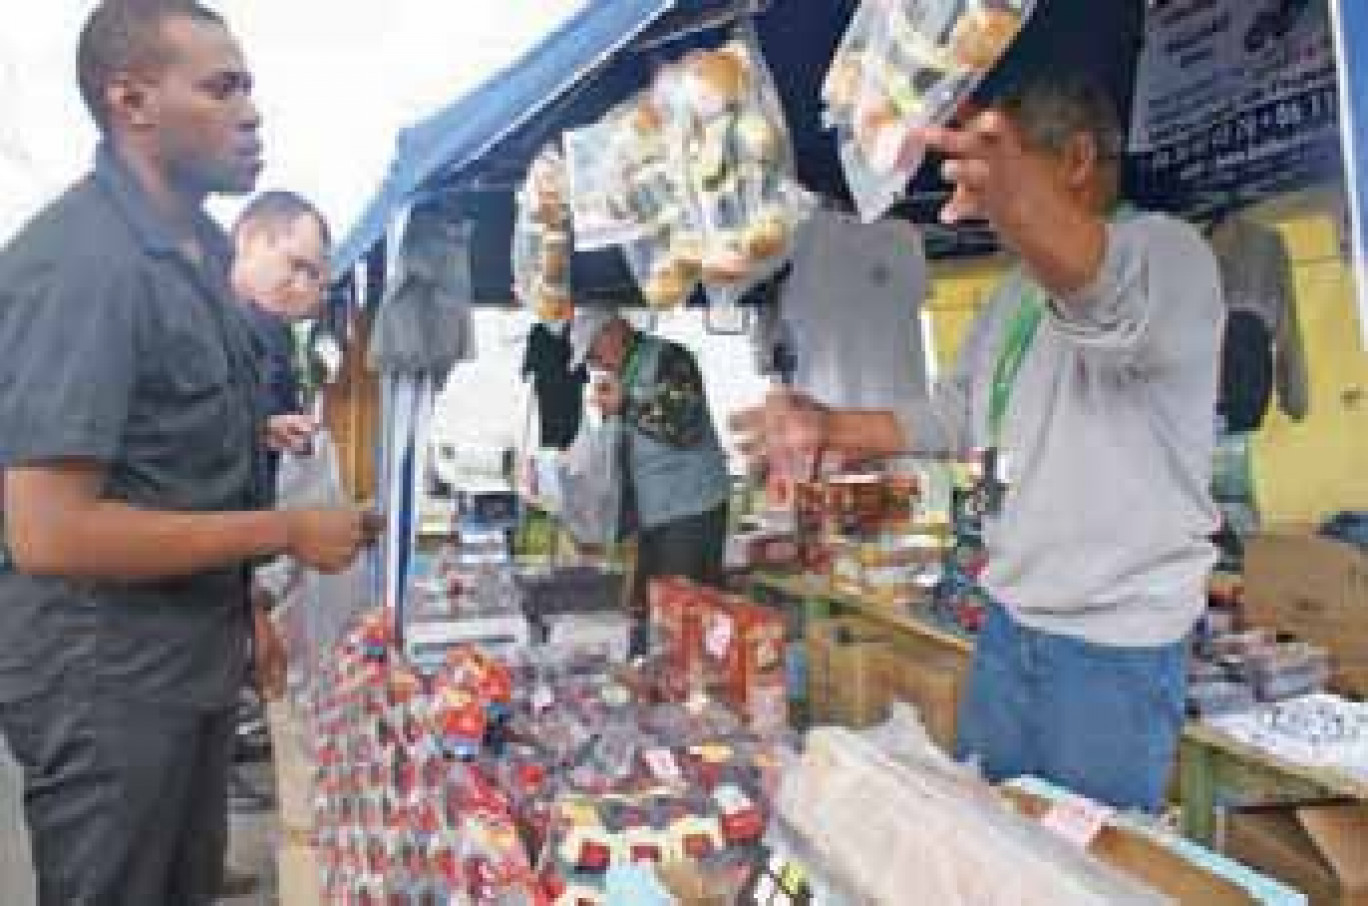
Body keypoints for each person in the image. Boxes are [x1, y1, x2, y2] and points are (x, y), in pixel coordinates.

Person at [734, 74, 1225, 812]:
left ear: (1078, 160)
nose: (987, 204)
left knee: (1083, 880)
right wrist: (828, 426)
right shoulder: (1017, 291)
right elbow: (954, 414)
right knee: (989, 847)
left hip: (1112, 649)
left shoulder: (1167, 254)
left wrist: (1020, 200)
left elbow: (1104, 294)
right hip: (1010, 626)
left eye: (1010, 165)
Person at [0, 4, 373, 904]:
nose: (251, 113)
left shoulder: (200, 253)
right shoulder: (86, 265)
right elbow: (51, 532)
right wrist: (283, 530)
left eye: (248, 86)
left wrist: (244, 609)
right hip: (106, 687)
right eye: (221, 87)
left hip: (187, 661)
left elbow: (178, 467)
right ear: (130, 101)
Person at [570, 310, 731, 656]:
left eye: (595, 354)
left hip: (692, 509)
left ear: (614, 331)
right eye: (589, 361)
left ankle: (694, 697)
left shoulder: (670, 358)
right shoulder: (622, 374)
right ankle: (656, 689)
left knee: (685, 613)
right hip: (655, 514)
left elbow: (684, 425)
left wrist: (626, 404)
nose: (596, 364)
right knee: (650, 612)